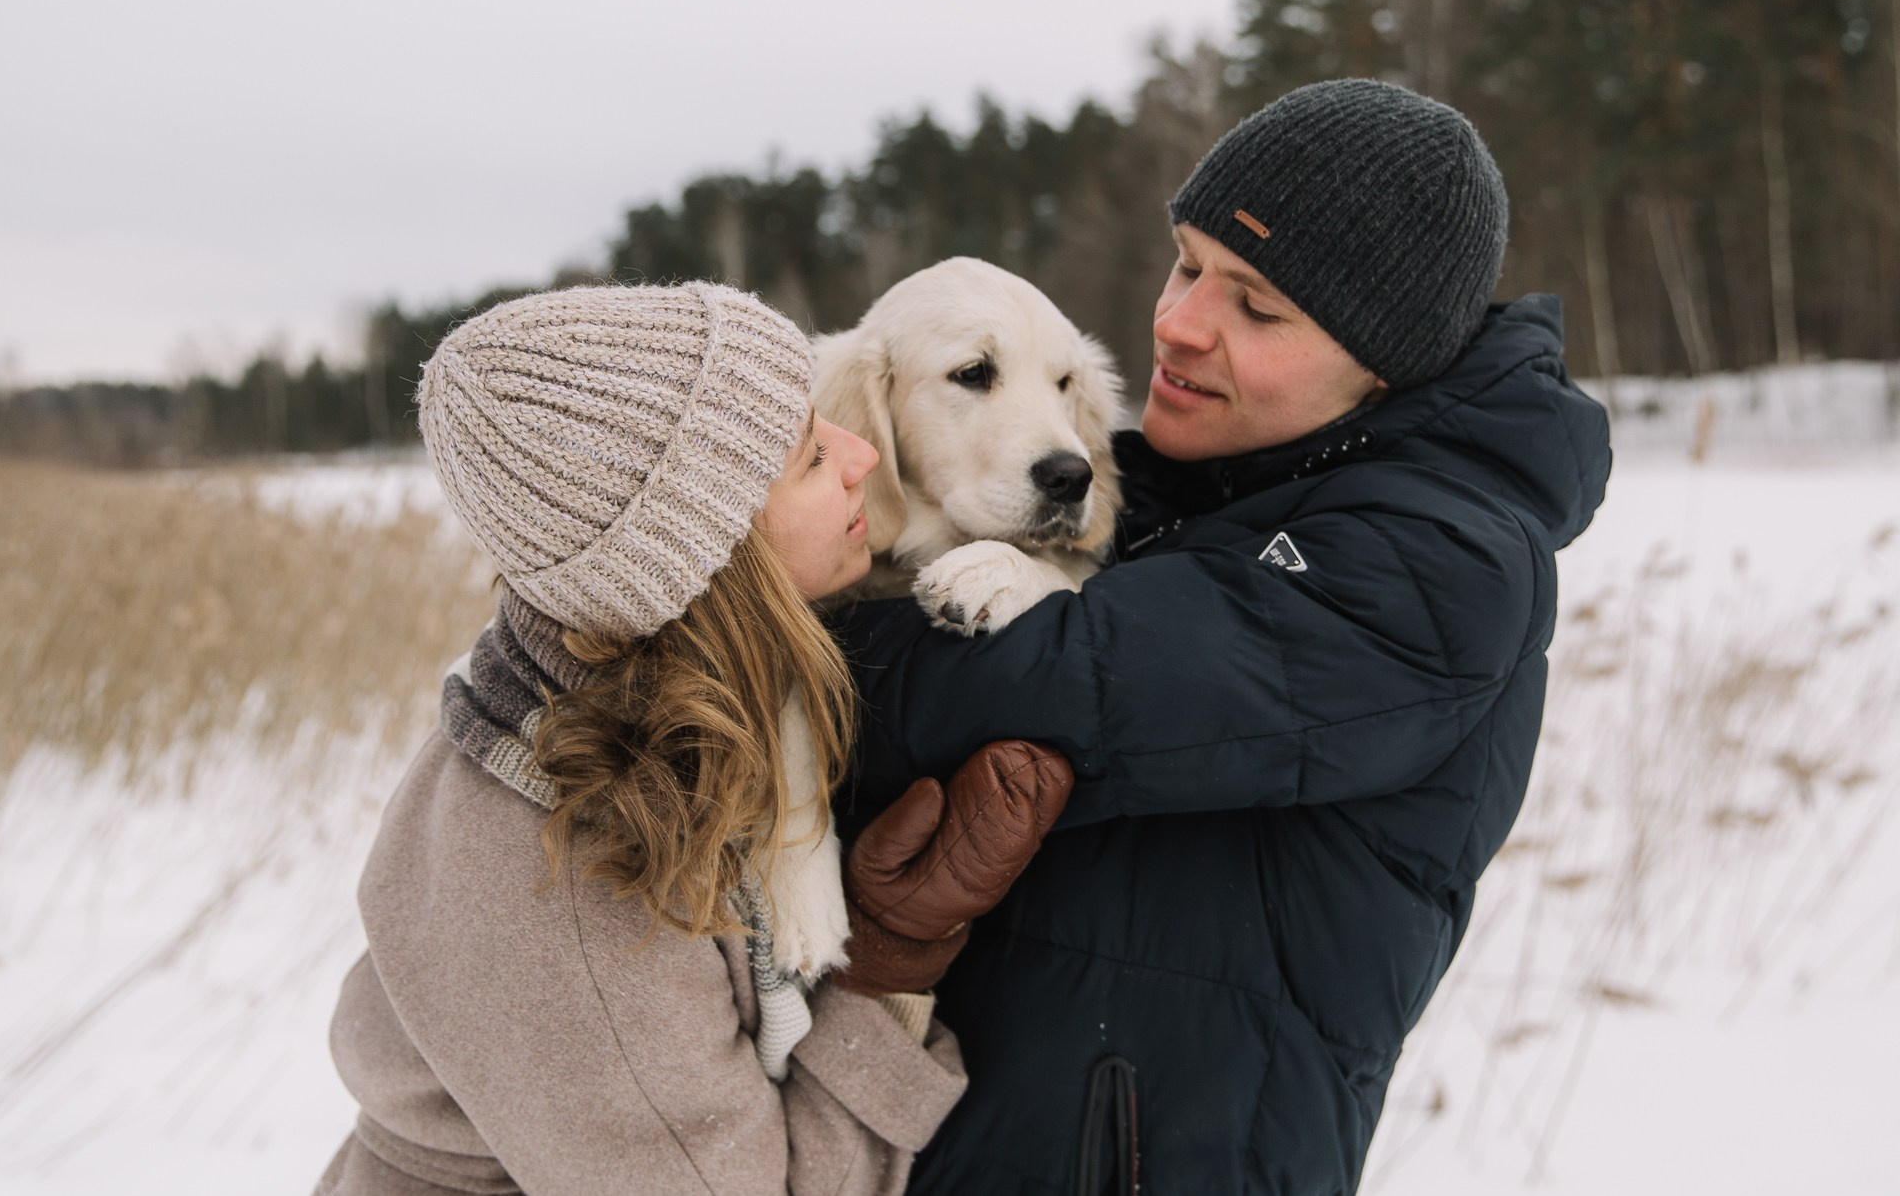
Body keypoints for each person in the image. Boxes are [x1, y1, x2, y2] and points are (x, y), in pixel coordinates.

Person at [832, 79, 1614, 1193]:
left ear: (1379, 360)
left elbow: (1053, 680)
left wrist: (751, 657)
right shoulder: (1166, 493)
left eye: (1255, 305)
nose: (1178, 322)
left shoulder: (1441, 558)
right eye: (1187, 263)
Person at [314, 283, 1071, 1195]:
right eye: (808, 455)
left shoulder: (650, 709)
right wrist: (886, 961)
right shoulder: (574, 888)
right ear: (705, 549)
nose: (862, 454)